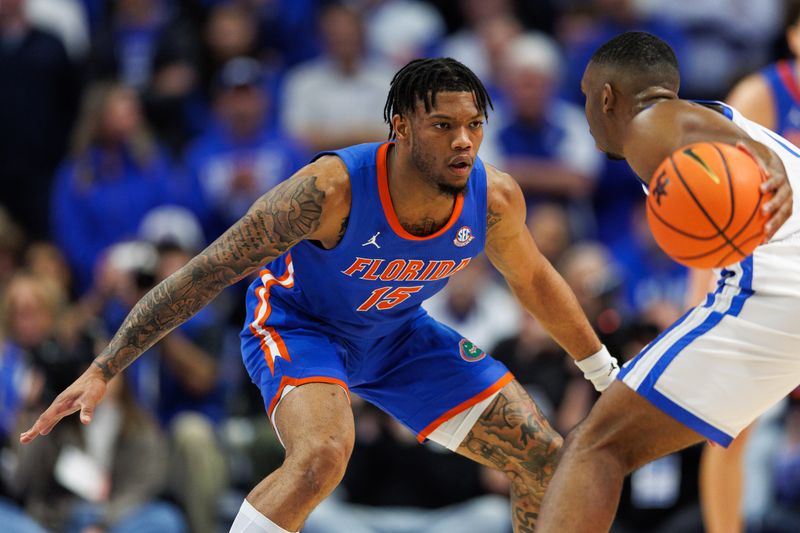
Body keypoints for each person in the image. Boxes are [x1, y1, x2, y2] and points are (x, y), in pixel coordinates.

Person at [21, 57, 621, 533]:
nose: (464, 141)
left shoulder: (493, 201)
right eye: (444, 126)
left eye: (473, 126)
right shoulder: (328, 190)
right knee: (324, 455)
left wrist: (603, 373)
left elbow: (536, 281)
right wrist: (105, 366)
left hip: (398, 334)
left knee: (543, 455)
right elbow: (208, 271)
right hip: (298, 325)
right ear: (403, 127)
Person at [536, 31, 796, 532]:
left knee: (598, 444)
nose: (586, 113)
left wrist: (758, 160)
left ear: (606, 97)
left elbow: (697, 124)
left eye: (587, 96)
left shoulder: (650, 121)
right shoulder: (701, 128)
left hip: (781, 289)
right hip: (786, 298)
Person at [696, 3, 800, 531]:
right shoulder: (761, 96)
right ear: (794, 36)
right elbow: (709, 200)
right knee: (733, 426)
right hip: (764, 277)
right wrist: (703, 292)